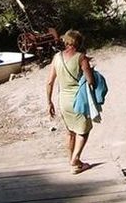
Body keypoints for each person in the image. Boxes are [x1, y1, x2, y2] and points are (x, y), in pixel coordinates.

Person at [45, 30, 97, 174]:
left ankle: (74, 162)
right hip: (78, 100)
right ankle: (75, 159)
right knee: (84, 131)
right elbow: (90, 81)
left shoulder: (57, 57)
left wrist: (49, 102)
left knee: (70, 132)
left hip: (63, 100)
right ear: (79, 42)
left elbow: (49, 82)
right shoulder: (81, 58)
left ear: (66, 41)